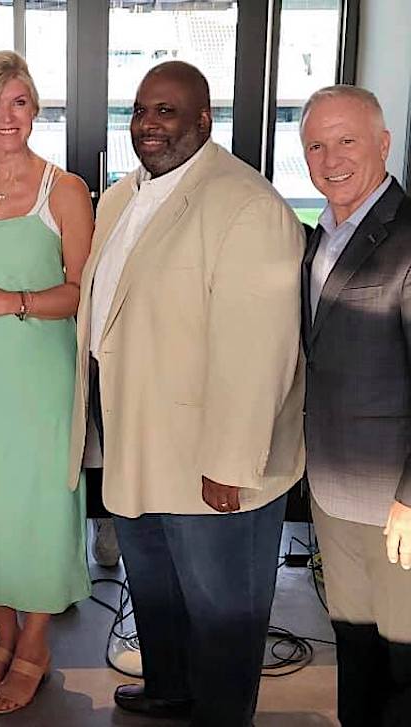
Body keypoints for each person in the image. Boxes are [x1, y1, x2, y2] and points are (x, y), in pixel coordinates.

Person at [67, 61, 306, 726]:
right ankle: (170, 686)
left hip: (210, 456)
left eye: (166, 111)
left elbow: (260, 349)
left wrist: (230, 461)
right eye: (140, 110)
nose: (148, 124)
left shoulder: (246, 204)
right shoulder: (120, 197)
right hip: (137, 438)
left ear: (204, 120)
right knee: (155, 583)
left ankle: (222, 712)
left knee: (223, 605)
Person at [0, 50, 93, 715]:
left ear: (36, 109)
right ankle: (1, 634)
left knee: (39, 509)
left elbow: (82, 292)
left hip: (41, 380)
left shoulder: (65, 189)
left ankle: (35, 640)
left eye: (21, 101)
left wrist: (15, 301)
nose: (8, 116)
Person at [300, 85, 411, 726]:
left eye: (347, 140)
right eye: (316, 144)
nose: (330, 157)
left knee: (402, 660)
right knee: (355, 647)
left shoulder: (406, 236)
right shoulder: (322, 236)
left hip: (394, 503)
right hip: (333, 488)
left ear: (383, 144)